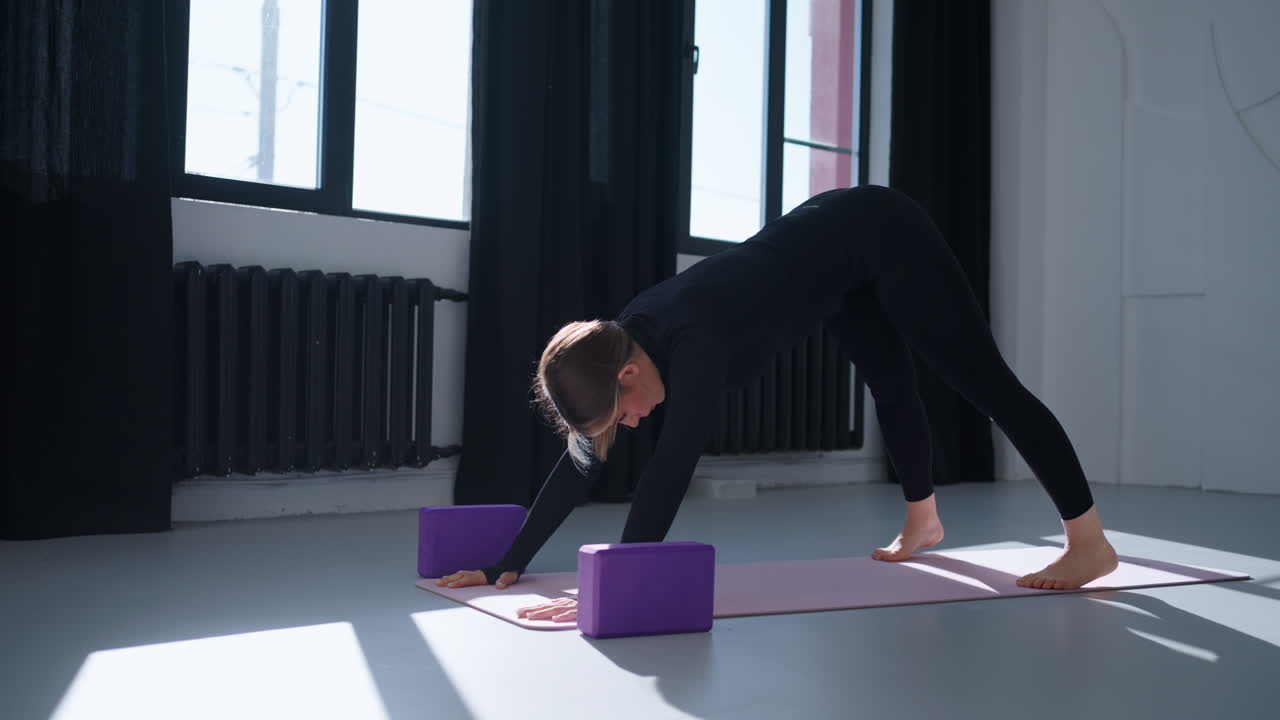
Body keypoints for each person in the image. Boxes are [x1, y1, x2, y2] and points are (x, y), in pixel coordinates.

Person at [436, 185, 1119, 623]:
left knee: (983, 381)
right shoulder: (619, 347)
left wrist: (612, 582)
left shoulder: (691, 340)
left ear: (626, 379)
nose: (635, 425)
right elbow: (581, 462)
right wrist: (508, 562)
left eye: (627, 415)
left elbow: (670, 468)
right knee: (891, 384)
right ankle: (924, 525)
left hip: (882, 230)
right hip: (838, 267)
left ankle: (1088, 543)